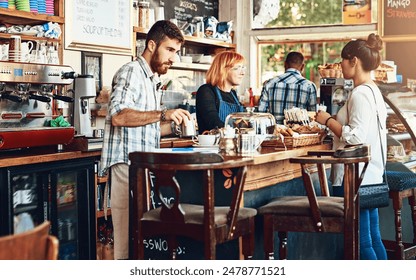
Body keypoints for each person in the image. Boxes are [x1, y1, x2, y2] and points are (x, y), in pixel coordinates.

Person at [99, 20, 192, 260]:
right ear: (152, 45)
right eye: (170, 50)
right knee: (125, 242)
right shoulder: (132, 71)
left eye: (176, 52)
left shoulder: (151, 80)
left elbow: (146, 129)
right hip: (126, 165)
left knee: (139, 238)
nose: (174, 58)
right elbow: (118, 116)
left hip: (140, 167)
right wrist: (163, 114)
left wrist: (175, 125)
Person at [315, 33, 387, 260]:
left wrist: (328, 120)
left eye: (342, 61)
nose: (340, 65)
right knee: (373, 238)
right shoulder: (373, 90)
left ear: (353, 60)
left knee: (361, 242)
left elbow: (355, 137)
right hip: (372, 173)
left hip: (356, 177)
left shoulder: (360, 94)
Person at [258, 51, 317, 124]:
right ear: (302, 67)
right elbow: (313, 116)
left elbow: (260, 113)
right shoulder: (309, 86)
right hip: (300, 134)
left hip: (274, 132)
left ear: (285, 64)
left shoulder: (270, 83)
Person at [195, 51, 246, 133]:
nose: (242, 73)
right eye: (237, 68)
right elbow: (213, 123)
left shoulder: (233, 94)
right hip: (212, 144)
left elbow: (240, 123)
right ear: (223, 69)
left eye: (243, 68)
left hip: (232, 143)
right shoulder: (206, 91)